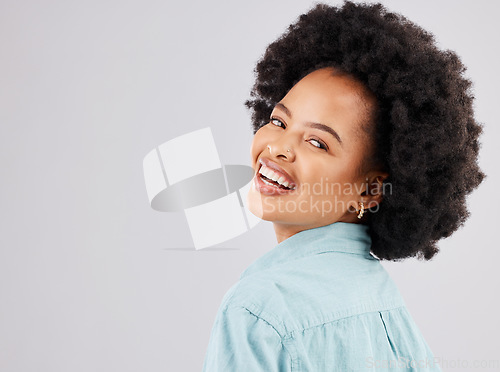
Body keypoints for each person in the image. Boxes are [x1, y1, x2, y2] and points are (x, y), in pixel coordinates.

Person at [202, 1, 484, 371]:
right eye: (279, 121)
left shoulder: (258, 309)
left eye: (318, 143)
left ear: (369, 190)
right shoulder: (385, 306)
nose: (279, 148)